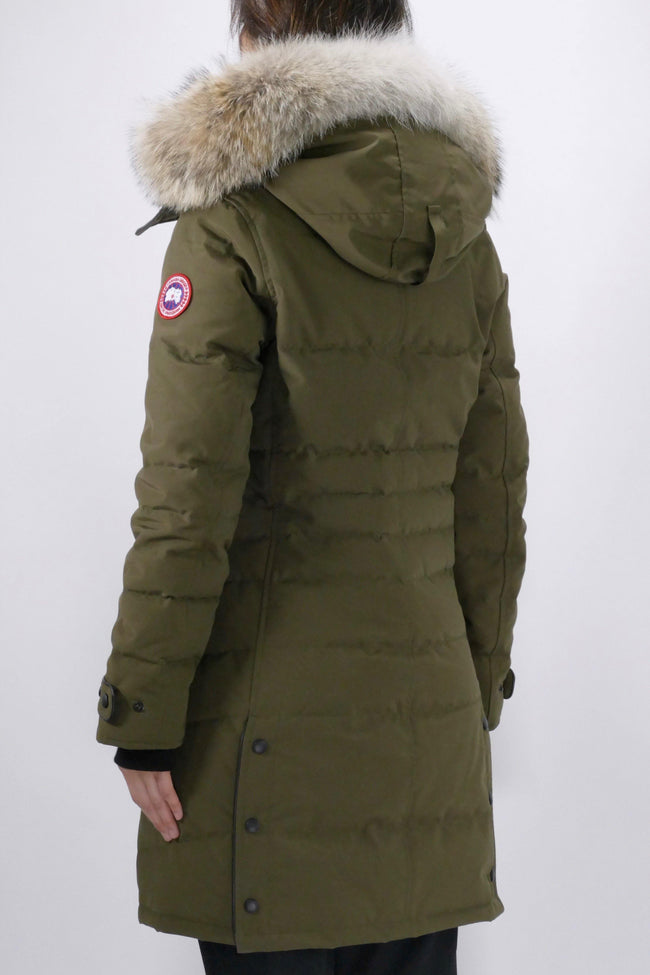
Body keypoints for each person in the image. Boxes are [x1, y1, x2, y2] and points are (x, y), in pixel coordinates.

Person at [95, 2, 529, 973]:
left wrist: (142, 719)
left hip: (262, 757)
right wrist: (472, 690)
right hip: (427, 750)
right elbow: (493, 494)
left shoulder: (230, 225)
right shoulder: (465, 233)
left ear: (257, 35)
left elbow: (185, 497)